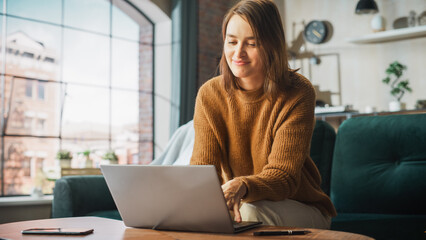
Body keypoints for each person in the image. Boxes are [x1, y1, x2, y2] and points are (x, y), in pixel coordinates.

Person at [190, 0, 337, 229]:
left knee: (248, 211)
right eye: (231, 42)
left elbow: (284, 177)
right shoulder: (209, 94)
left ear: (271, 45)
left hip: (301, 206)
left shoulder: (298, 91)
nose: (238, 53)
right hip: (243, 205)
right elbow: (201, 169)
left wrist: (243, 186)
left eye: (252, 43)